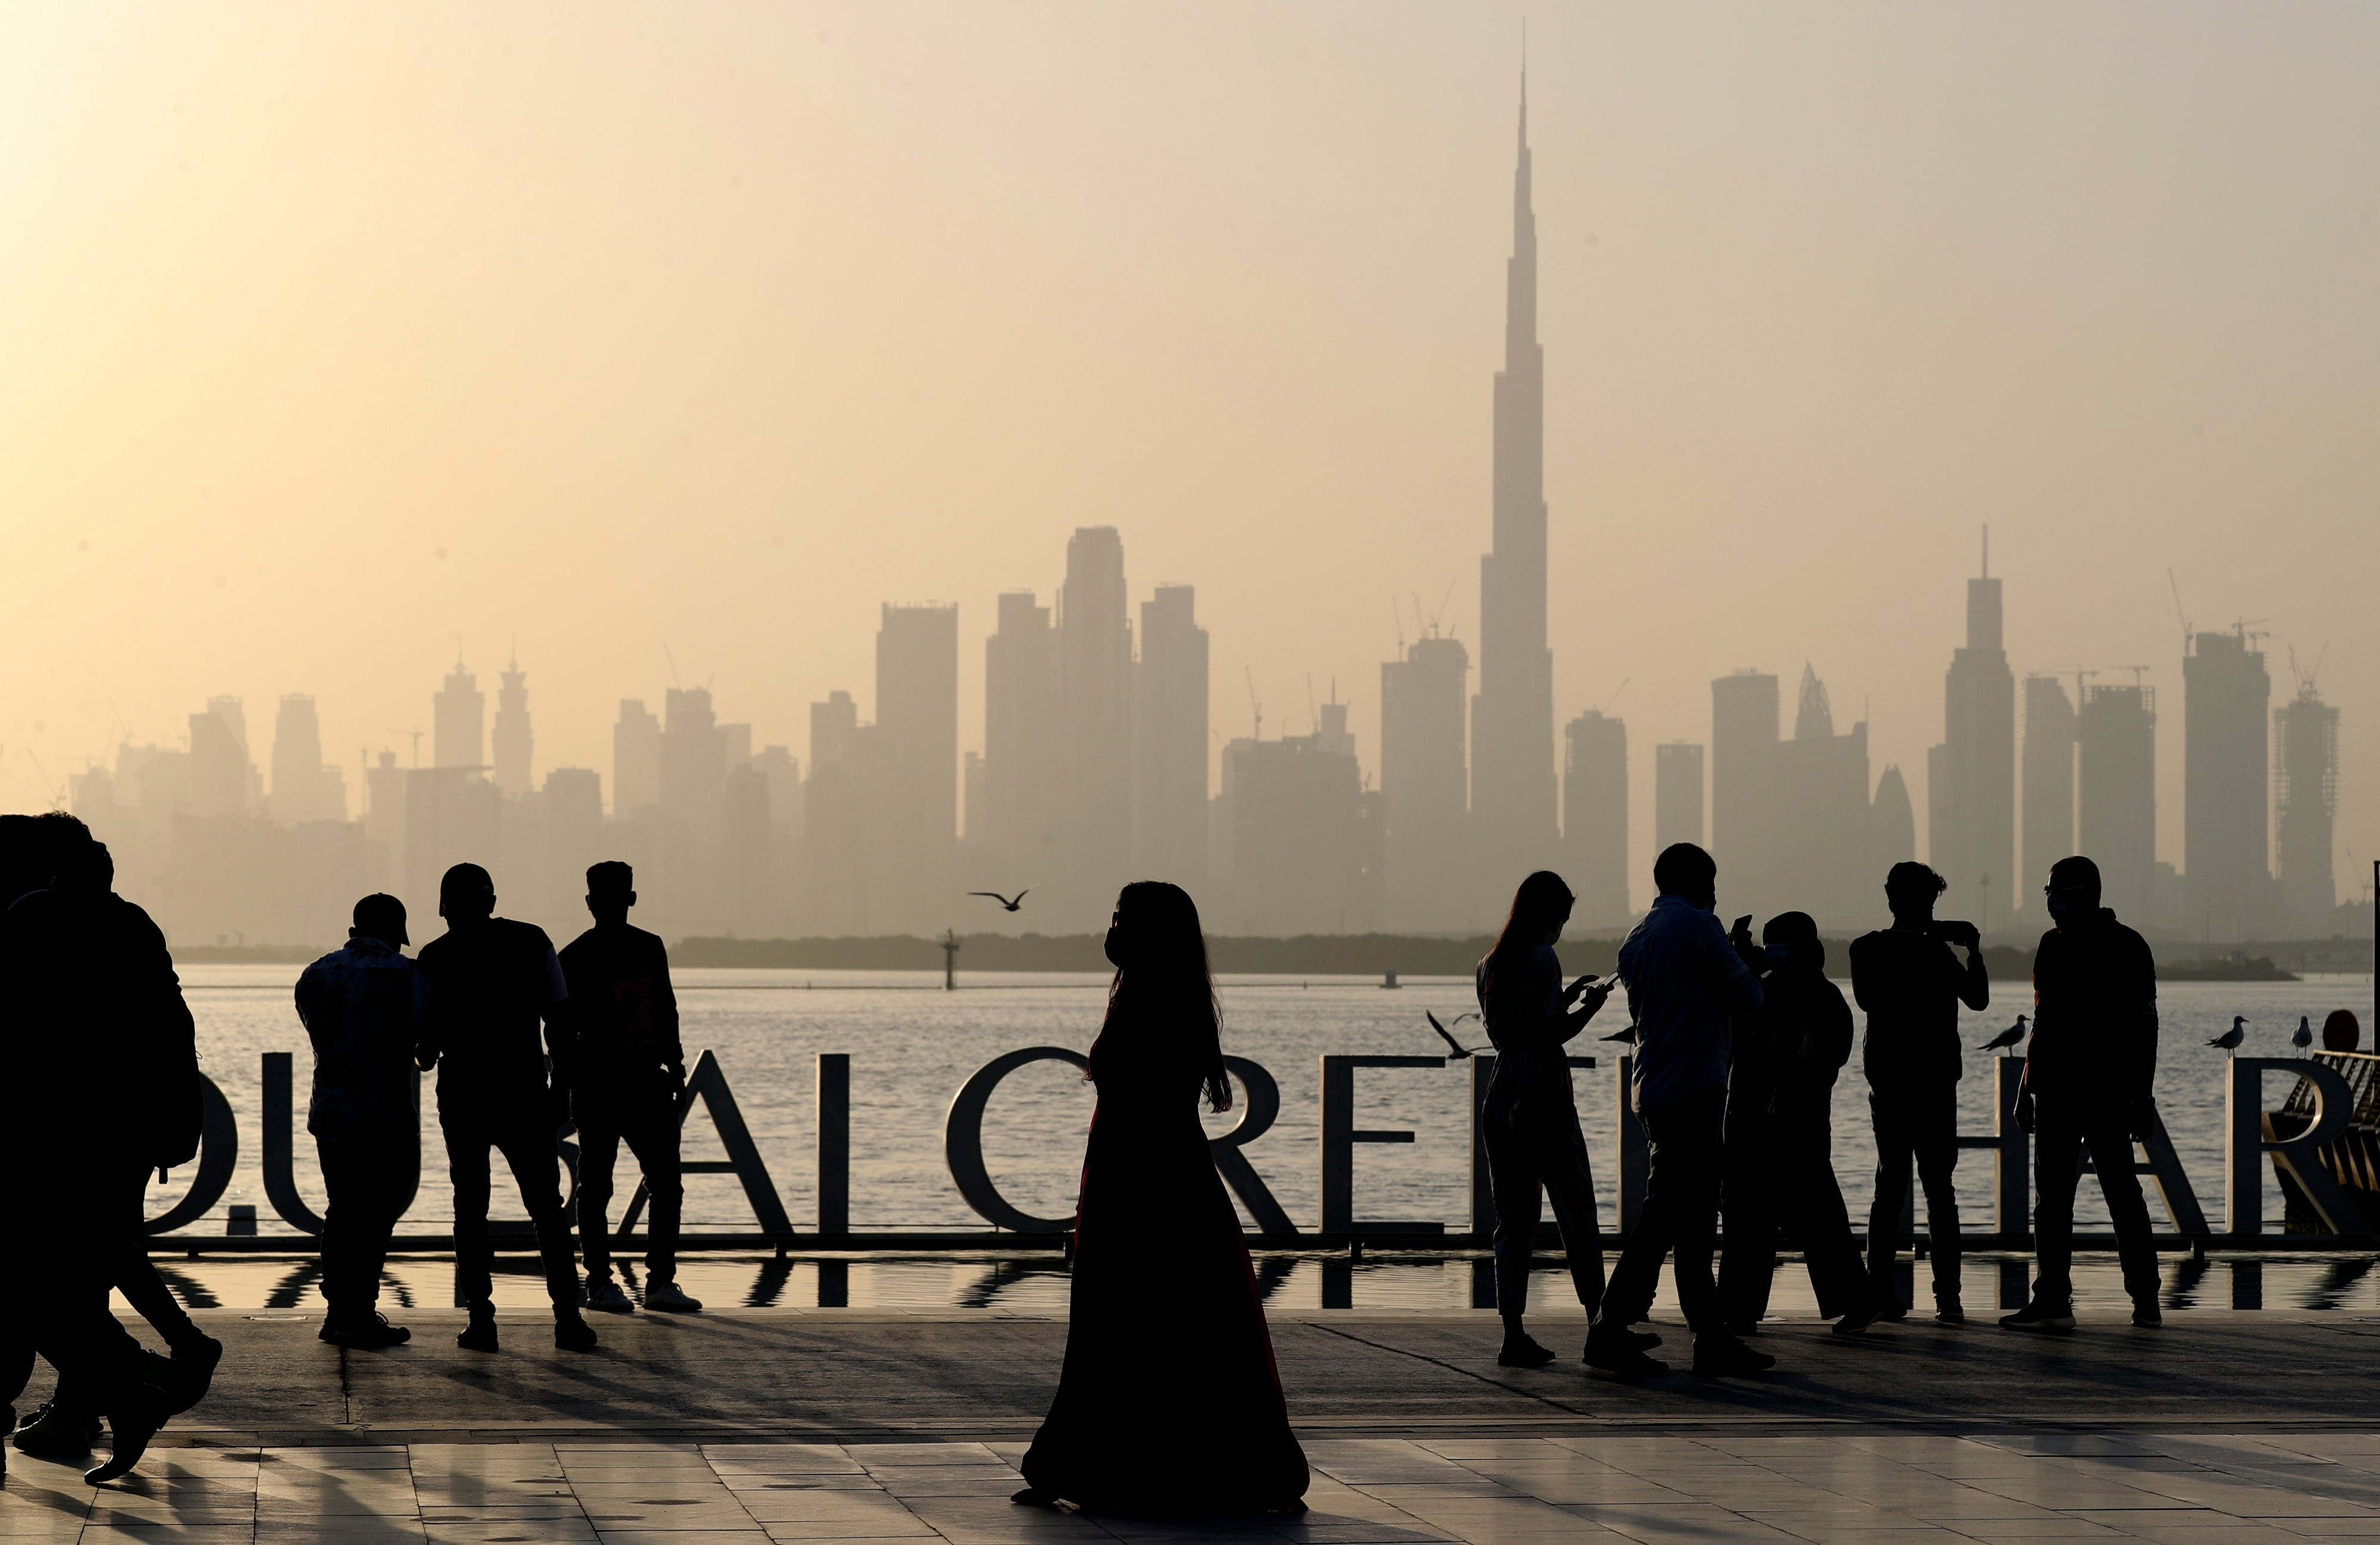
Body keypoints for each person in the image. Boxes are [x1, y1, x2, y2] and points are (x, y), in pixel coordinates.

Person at [1015, 882, 1308, 1514]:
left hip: (1145, 1179)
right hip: (1143, 1174)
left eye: (1122, 920)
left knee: (1135, 1321)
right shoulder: (1155, 993)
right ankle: (1108, 1460)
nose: (1112, 930)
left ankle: (1113, 1464)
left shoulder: (1154, 1000)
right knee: (1157, 1323)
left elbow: (1146, 1102)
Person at [0, 815, 202, 1483]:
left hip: (50, 1130)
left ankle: (136, 1379)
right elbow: (173, 1022)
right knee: (85, 1263)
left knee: (42, 1274)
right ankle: (131, 1383)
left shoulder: (31, 915)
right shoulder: (135, 924)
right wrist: (180, 1118)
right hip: (118, 1128)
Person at [1586, 843, 1768, 1379]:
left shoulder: (1637, 937)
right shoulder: (1697, 926)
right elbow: (1748, 1000)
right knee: (1671, 1213)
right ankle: (1610, 1326)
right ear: (1697, 882)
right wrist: (1750, 966)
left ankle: (1710, 1333)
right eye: (1711, 882)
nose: (1716, 893)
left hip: (1655, 1087)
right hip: (1696, 1086)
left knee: (1689, 1216)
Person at [414, 862, 596, 1353]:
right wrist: (563, 1087)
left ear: (443, 908)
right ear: (492, 903)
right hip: (526, 1095)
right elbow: (561, 1022)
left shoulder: (433, 958)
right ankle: (568, 1319)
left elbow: (425, 1052)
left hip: (464, 1098)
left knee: (470, 1209)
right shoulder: (533, 942)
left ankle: (481, 1320)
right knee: (548, 1211)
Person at [2003, 855, 2162, 1331]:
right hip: (2054, 1091)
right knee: (2052, 1200)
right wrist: (2025, 1087)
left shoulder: (2128, 946)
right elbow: (2042, 1020)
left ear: (2086, 895)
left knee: (2122, 1194)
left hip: (2108, 1093)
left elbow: (2146, 1025)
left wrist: (2143, 1095)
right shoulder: (2051, 946)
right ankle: (2052, 1297)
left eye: (2061, 895)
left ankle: (2146, 1298)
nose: (2053, 904)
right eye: (2049, 894)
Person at [1473, 870, 1617, 1368]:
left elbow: (1517, 1024)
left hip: (1501, 1092)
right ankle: (1601, 1323)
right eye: (1561, 918)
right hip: (1542, 1093)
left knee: (1514, 1220)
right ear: (1546, 914)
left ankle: (1513, 1332)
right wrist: (1592, 1007)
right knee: (1577, 1213)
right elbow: (1552, 1032)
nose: (1562, 928)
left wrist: (1563, 996)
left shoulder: (1489, 963)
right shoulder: (1542, 956)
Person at [1718, 912, 1877, 1336]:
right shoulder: (1765, 991)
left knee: (1811, 1218)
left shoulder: (1821, 1000)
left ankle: (1853, 1301)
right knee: (1755, 1218)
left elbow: (1816, 1052)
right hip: (1758, 1123)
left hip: (1795, 1124)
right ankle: (1739, 1308)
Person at [558, 862, 701, 1313]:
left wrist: (563, 1083)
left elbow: (560, 1031)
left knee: (597, 1187)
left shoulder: (573, 955)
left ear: (590, 903)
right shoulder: (648, 947)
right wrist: (676, 1069)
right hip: (639, 1084)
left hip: (600, 1087)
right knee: (663, 1184)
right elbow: (668, 1012)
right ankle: (657, 1282)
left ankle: (602, 1283)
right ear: (631, 899)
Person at [1849, 862, 1988, 1322]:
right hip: (1934, 1087)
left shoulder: (1866, 949)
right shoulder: (1938, 955)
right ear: (1930, 904)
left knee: (1888, 1187)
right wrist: (1973, 951)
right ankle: (1949, 1299)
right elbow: (1979, 999)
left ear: (1890, 901)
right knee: (1939, 1193)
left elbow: (1868, 999)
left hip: (1888, 1084)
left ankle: (1879, 1293)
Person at [295, 893, 427, 1349]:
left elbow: (318, 1036)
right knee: (376, 1217)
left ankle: (338, 1312)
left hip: (331, 1113)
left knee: (342, 1210)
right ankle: (362, 1312)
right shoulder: (408, 976)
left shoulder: (315, 974)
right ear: (396, 933)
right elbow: (425, 1053)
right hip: (387, 1114)